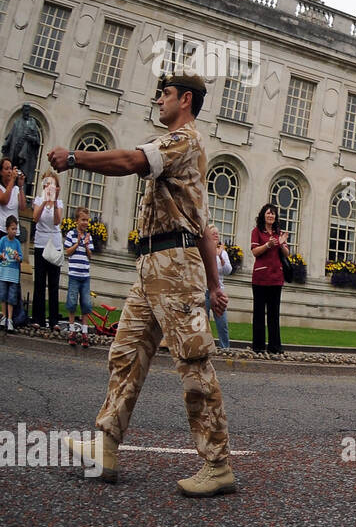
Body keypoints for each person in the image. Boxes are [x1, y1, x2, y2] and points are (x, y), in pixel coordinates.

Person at [50, 69, 235, 496]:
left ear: (185, 100)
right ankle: (106, 445)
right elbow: (205, 227)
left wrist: (76, 158)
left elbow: (133, 162)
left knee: (192, 361)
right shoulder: (178, 147)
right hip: (153, 265)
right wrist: (216, 284)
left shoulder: (184, 139)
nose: (159, 100)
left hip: (174, 267)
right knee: (126, 353)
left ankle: (218, 463)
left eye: (166, 94)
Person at [250, 203, 287, 355]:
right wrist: (268, 245)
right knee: (259, 312)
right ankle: (258, 346)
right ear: (263, 216)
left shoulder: (279, 233)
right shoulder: (257, 231)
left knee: (274, 313)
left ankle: (275, 346)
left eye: (273, 214)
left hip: (276, 277)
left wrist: (282, 243)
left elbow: (286, 254)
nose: (271, 216)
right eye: (268, 213)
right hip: (260, 277)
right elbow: (255, 252)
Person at [31, 171, 64, 331]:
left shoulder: (60, 203)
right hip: (40, 244)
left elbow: (57, 220)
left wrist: (55, 200)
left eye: (53, 184)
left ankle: (53, 320)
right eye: (47, 183)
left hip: (54, 245)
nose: (49, 186)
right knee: (39, 282)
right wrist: (45, 200)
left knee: (53, 284)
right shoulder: (38, 200)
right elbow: (35, 218)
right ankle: (37, 318)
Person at [63, 207, 94, 347]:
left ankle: (85, 331)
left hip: (85, 275)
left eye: (87, 220)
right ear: (77, 221)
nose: (85, 223)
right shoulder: (71, 234)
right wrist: (78, 243)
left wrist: (86, 245)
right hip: (74, 274)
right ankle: (71, 329)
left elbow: (90, 255)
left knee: (86, 303)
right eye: (83, 220)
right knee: (72, 301)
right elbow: (68, 252)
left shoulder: (89, 236)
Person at [205, 230, 232, 350]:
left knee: (222, 322)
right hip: (205, 290)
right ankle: (204, 345)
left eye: (217, 233)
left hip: (219, 291)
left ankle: (224, 347)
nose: (216, 234)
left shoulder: (223, 253)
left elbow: (228, 270)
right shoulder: (204, 251)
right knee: (203, 321)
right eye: (213, 233)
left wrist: (220, 256)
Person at [0, 214, 22, 333]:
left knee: (11, 298)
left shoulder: (17, 243)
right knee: (3, 295)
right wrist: (1, 256)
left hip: (13, 274)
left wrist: (18, 257)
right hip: (3, 272)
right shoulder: (3, 240)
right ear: (7, 229)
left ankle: (10, 319)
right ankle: (3, 316)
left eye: (15, 229)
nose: (14, 231)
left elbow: (21, 258)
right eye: (12, 229)